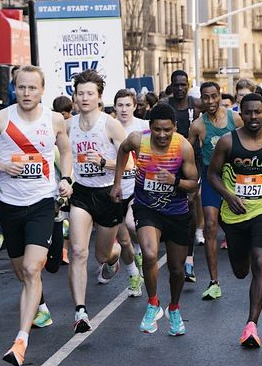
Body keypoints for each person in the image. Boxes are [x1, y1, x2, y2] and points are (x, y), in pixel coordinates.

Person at [0, 65, 73, 366]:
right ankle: (38, 304)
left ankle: (20, 341)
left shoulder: (53, 120)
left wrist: (66, 178)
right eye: (21, 87)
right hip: (10, 206)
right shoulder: (1, 118)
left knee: (31, 269)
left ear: (42, 90)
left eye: (32, 88)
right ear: (14, 88)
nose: (26, 93)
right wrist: (1, 166)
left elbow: (65, 151)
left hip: (42, 201)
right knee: (21, 272)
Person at [207, 93, 262, 348]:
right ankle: (251, 321)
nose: (254, 117)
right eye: (248, 113)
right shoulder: (226, 142)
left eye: (258, 112)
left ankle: (251, 325)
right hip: (233, 214)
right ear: (240, 115)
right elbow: (212, 174)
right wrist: (228, 195)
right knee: (241, 270)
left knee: (260, 259)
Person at [111, 103, 199, 336]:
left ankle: (174, 308)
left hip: (177, 212)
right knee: (149, 254)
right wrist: (118, 183)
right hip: (147, 209)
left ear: (175, 128)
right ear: (150, 127)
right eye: (157, 129)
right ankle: (153, 303)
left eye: (167, 130)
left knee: (177, 269)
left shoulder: (183, 147)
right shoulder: (138, 140)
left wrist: (175, 181)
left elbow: (194, 183)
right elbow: (122, 150)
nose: (162, 135)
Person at [66, 70, 133, 320]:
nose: (84, 98)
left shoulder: (110, 125)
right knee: (78, 252)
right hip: (82, 193)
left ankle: (114, 256)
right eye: (80, 93)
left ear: (99, 96)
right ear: (74, 96)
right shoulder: (68, 125)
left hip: (107, 194)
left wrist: (104, 161)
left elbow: (129, 163)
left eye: (90, 94)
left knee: (101, 255)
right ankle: (80, 311)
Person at [187, 82, 236, 300]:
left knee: (238, 226)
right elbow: (187, 154)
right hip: (210, 177)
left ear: (220, 96)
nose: (209, 102)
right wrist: (189, 181)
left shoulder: (236, 119)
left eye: (213, 96)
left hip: (235, 178)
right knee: (210, 226)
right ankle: (214, 281)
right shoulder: (198, 125)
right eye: (205, 98)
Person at [161, 70, 202, 281]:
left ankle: (189, 259)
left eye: (183, 84)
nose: (180, 88)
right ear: (171, 85)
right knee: (171, 205)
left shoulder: (197, 104)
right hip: (168, 161)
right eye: (176, 85)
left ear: (188, 85)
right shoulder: (164, 105)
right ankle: (172, 248)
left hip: (192, 161)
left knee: (190, 203)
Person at [111, 89, 148, 298]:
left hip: (138, 187)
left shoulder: (143, 127)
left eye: (128, 105)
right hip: (114, 189)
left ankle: (140, 250)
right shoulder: (109, 126)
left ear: (135, 107)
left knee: (132, 224)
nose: (124, 109)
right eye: (120, 105)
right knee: (123, 241)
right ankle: (133, 273)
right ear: (114, 107)